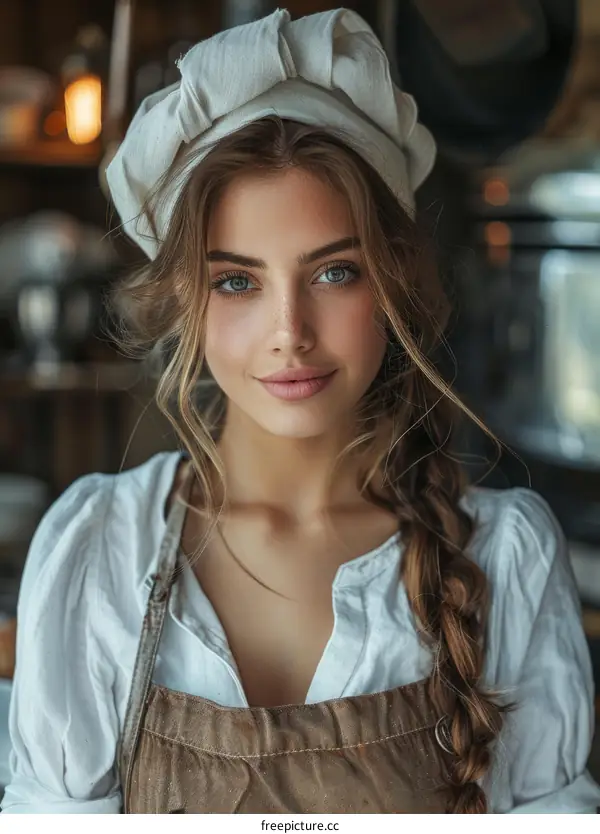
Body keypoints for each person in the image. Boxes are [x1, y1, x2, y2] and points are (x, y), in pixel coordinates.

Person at [2, 8, 600, 815]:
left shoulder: (506, 562)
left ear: (390, 287)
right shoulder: (100, 555)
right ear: (188, 301)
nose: (290, 333)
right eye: (238, 280)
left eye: (333, 273)